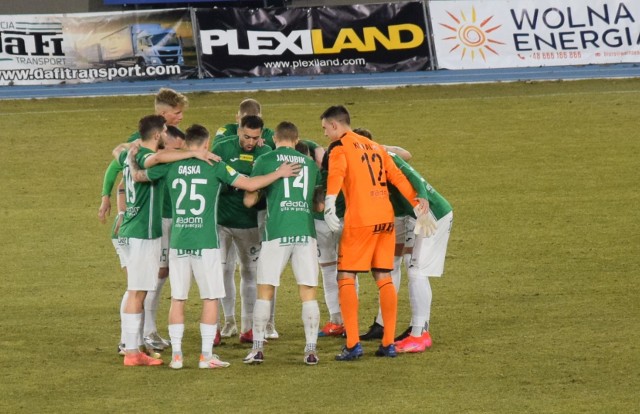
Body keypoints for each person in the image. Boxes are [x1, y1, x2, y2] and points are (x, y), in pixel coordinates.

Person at [126, 124, 300, 369]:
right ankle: (206, 356)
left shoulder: (170, 165)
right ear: (207, 144)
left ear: (187, 144)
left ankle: (177, 356)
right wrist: (279, 173)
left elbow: (139, 175)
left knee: (178, 299)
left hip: (178, 243)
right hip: (206, 242)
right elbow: (250, 185)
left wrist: (132, 158)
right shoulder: (215, 165)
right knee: (210, 298)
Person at [320, 105, 429, 360]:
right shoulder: (377, 147)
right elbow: (398, 177)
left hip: (361, 220)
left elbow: (336, 174)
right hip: (385, 219)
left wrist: (328, 205)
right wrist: (417, 205)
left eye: (325, 128)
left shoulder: (339, 147)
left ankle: (352, 344)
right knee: (384, 277)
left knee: (345, 275)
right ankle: (388, 343)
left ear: (335, 125)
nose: (325, 133)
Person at [112, 115, 217, 366]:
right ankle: (131, 351)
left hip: (132, 230)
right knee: (137, 292)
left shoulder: (131, 156)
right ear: (158, 135)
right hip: (141, 233)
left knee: (140, 290)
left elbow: (117, 151)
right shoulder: (148, 158)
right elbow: (158, 158)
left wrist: (131, 148)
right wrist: (194, 154)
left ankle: (134, 347)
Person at [100, 88, 189, 353]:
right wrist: (111, 200)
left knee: (151, 278)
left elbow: (128, 165)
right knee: (142, 283)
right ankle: (133, 340)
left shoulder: (160, 144)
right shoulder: (142, 147)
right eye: (177, 113)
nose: (181, 117)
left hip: (156, 220)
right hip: (148, 222)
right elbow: (122, 169)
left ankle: (141, 335)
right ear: (161, 120)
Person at [242, 121, 323, 365]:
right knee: (308, 292)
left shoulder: (265, 160)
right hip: (304, 232)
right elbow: (318, 204)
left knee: (265, 290)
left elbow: (249, 200)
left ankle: (257, 348)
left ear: (275, 139)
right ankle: (310, 350)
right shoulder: (309, 163)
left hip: (276, 231)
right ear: (296, 140)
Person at [212, 115, 272, 343]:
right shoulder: (222, 148)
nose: (250, 142)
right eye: (246, 136)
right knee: (218, 272)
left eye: (255, 138)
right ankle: (217, 326)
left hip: (249, 224)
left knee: (250, 273)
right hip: (221, 222)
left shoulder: (266, 154)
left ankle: (248, 328)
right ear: (238, 131)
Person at [394, 172, 453, 353]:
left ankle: (419, 336)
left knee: (417, 271)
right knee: (412, 266)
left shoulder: (383, 157)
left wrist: (423, 196)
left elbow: (410, 170)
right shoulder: (376, 154)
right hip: (414, 214)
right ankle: (420, 331)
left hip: (430, 214)